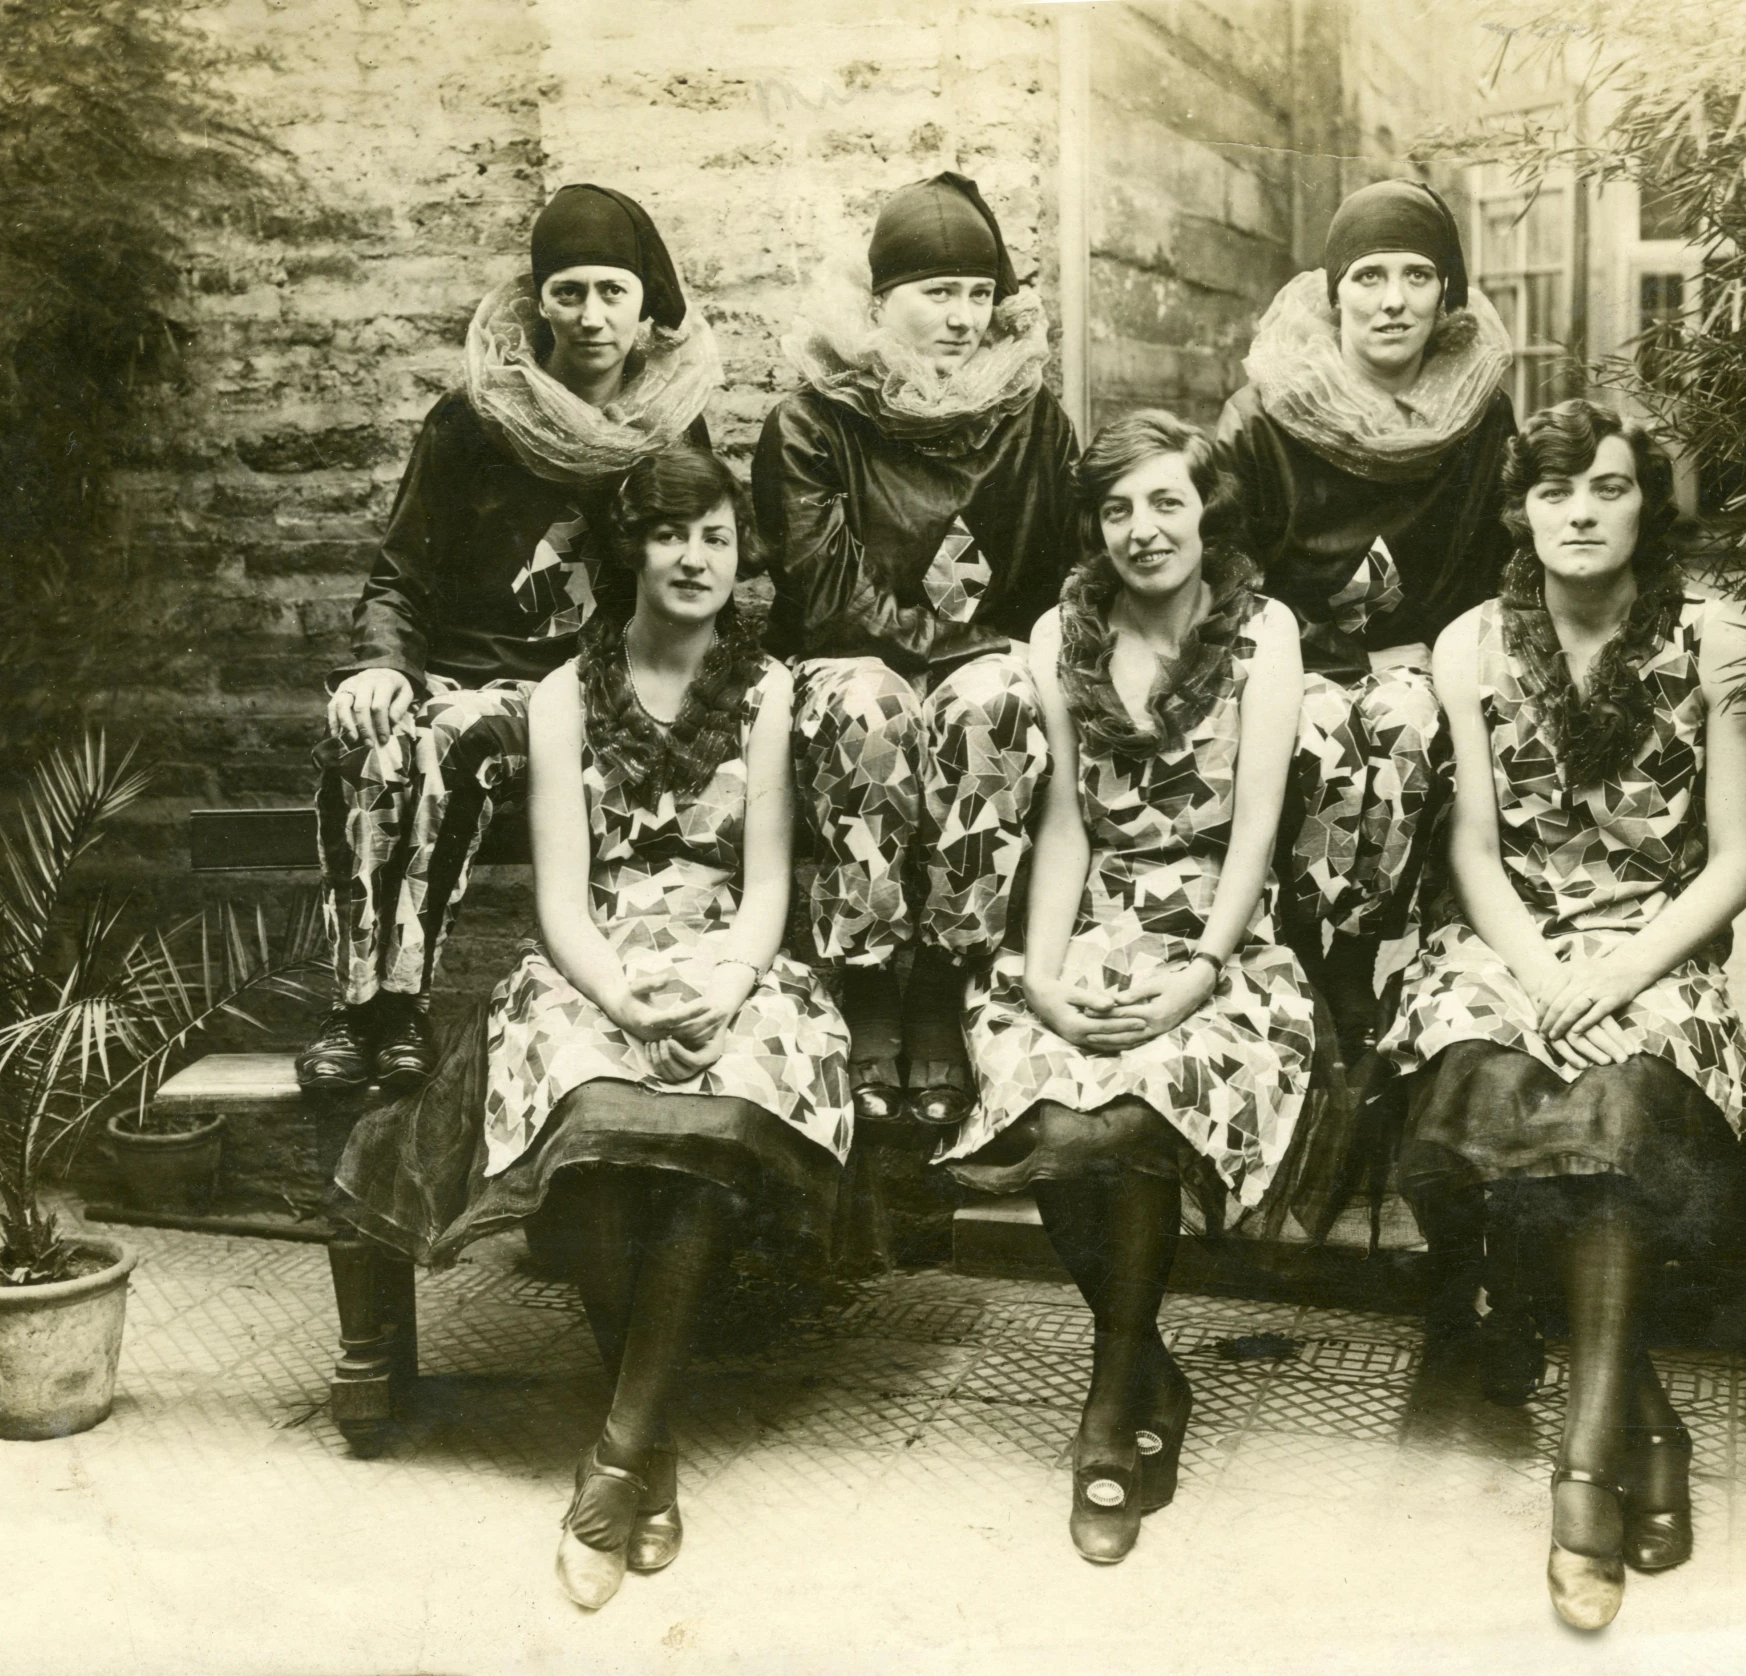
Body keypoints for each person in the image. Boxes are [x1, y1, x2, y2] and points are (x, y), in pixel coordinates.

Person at [333, 444, 850, 1611]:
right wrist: (619, 998)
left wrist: (723, 983)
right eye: (671, 533)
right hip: (597, 959)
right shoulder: (563, 693)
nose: (695, 556)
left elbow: (765, 885)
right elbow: (561, 899)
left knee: (714, 1112)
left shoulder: (766, 691)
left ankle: (617, 1452)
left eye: (716, 535)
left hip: (727, 958)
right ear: (631, 548)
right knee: (601, 1109)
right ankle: (648, 1447)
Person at [1377, 399, 1746, 1630]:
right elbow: (1474, 850)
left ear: (1645, 502)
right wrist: (1544, 976)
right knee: (1481, 1069)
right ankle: (1643, 1427)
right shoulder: (1468, 645)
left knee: (1613, 1111)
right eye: (1554, 493)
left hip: (1658, 944)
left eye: (1605, 487)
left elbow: (1732, 861)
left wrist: (1617, 975)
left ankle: (1582, 1478)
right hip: (1513, 940)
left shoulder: (1716, 642)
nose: (1581, 513)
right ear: (1519, 511)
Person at [936, 410, 1313, 1564]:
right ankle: (1144, 1358)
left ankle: (1110, 1397)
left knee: (1138, 1102)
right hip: (1094, 918)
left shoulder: (1263, 634)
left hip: (1218, 935)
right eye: (1116, 509)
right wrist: (1042, 978)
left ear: (1207, 509)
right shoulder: (1061, 633)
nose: (1142, 529)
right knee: (1051, 1103)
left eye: (1164, 502)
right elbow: (1061, 824)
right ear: (1094, 528)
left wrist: (1200, 970)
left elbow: (1254, 831)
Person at [300, 184, 720, 1094]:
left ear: (645, 304)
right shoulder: (473, 421)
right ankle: (371, 1008)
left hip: (600, 697)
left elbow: (694, 565)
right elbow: (400, 574)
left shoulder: (667, 427)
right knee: (380, 741)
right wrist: (379, 667)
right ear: (541, 304)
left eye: (613, 291)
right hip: (471, 680)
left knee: (467, 735)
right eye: (569, 292)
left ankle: (399, 998)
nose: (592, 317)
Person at [1215, 177, 1527, 1395]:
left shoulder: (1477, 410)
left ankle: (1355, 1014)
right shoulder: (1267, 412)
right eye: (1367, 279)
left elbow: (1501, 562)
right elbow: (1226, 565)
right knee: (1327, 729)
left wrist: (1434, 649)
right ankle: (1327, 1006)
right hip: (1292, 663)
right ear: (1331, 294)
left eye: (1414, 278)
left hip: (1424, 668)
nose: (1391, 300)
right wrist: (1306, 647)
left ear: (1446, 296)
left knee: (1397, 723)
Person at [753, 172, 1079, 1129]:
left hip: (985, 664)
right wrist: (945, 654)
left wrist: (993, 658)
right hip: (847, 661)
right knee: (872, 705)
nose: (964, 318)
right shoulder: (813, 419)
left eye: (980, 294)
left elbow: (1064, 569)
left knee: (998, 702)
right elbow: (827, 593)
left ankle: (942, 977)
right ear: (879, 303)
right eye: (937, 294)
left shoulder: (1030, 416)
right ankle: (863, 980)